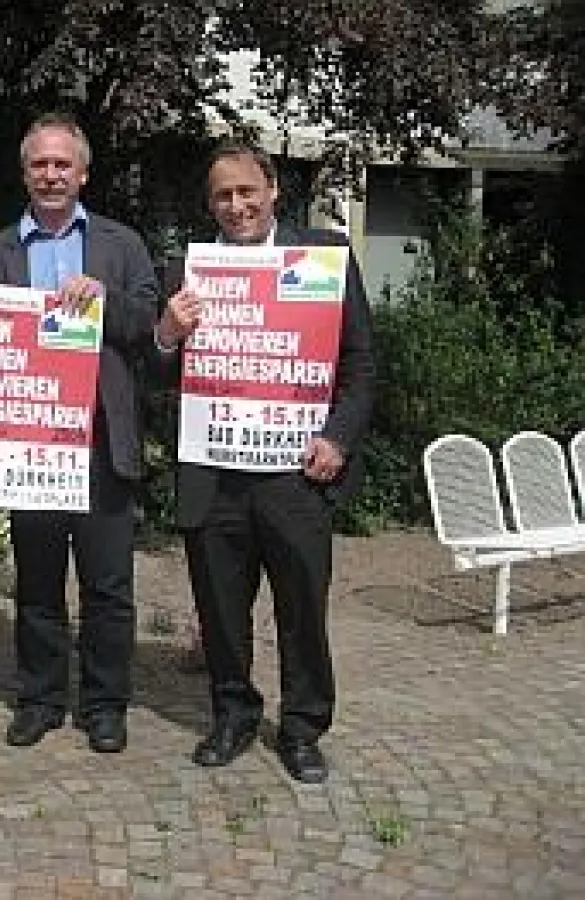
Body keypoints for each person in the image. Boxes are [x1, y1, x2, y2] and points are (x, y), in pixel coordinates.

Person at [154, 142, 375, 783]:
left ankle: (303, 728)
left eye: (247, 191)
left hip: (297, 473)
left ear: (273, 188)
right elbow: (153, 371)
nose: (236, 206)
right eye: (222, 195)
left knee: (302, 607)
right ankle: (232, 716)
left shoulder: (324, 255)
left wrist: (337, 437)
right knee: (220, 609)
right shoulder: (187, 269)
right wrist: (168, 333)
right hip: (214, 471)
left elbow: (360, 365)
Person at [0, 113, 158, 753]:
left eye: (62, 165)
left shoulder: (121, 245)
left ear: (83, 172)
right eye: (39, 165)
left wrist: (104, 299)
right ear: (24, 173)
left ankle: (105, 706)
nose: (51, 175)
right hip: (30, 449)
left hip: (101, 442)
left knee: (108, 588)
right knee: (38, 585)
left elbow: (151, 332)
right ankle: (40, 698)